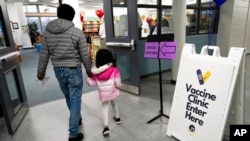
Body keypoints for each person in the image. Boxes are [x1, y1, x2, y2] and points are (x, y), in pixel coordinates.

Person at [37, 4, 92, 141]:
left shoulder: (48, 33)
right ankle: (73, 134)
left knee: (69, 97)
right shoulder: (77, 32)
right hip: (73, 70)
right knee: (75, 100)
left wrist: (40, 73)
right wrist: (89, 70)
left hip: (58, 71)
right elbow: (85, 55)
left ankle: (77, 118)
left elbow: (44, 55)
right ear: (72, 16)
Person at [87, 49, 122, 136]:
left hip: (103, 94)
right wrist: (118, 86)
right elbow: (118, 82)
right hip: (112, 91)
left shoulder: (96, 71)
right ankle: (117, 118)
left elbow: (93, 83)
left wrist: (88, 80)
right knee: (114, 103)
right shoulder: (114, 69)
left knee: (104, 108)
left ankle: (106, 127)